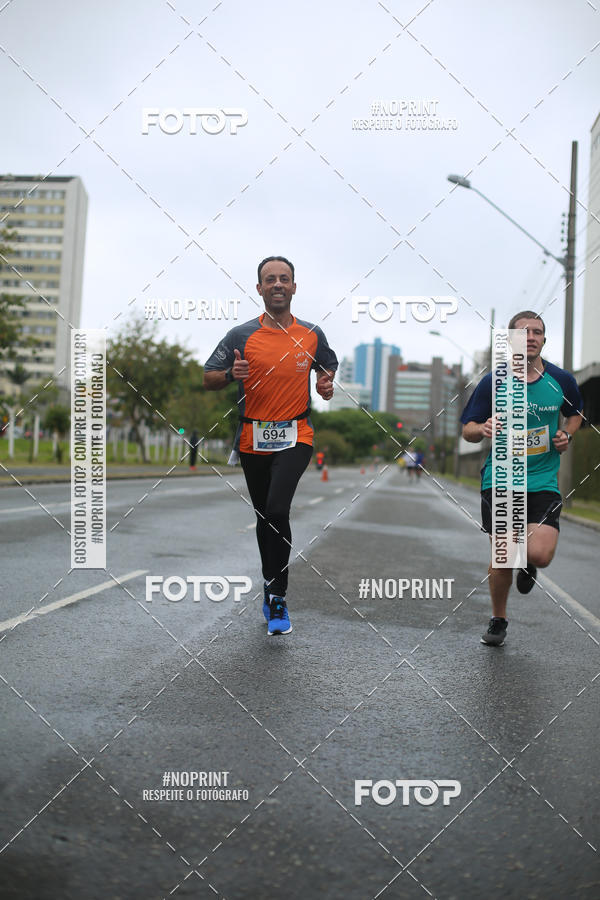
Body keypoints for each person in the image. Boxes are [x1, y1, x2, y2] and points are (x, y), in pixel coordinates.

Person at [203, 256, 338, 636]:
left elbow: (326, 364)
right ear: (259, 289)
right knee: (265, 516)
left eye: (284, 279)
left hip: (296, 434)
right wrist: (232, 374)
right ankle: (270, 582)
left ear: (294, 287)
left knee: (278, 508)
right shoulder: (240, 335)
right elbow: (208, 377)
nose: (277, 284)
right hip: (252, 436)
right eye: (269, 280)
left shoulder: (312, 333)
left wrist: (325, 383)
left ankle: (278, 596)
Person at [461, 311, 583, 646]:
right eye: (523, 332)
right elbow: (468, 429)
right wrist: (481, 428)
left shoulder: (561, 380)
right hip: (501, 478)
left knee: (539, 554)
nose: (530, 337)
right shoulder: (493, 381)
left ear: (544, 340)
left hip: (543, 479)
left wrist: (567, 436)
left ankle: (529, 564)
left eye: (537, 333)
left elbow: (576, 415)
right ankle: (499, 618)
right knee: (505, 554)